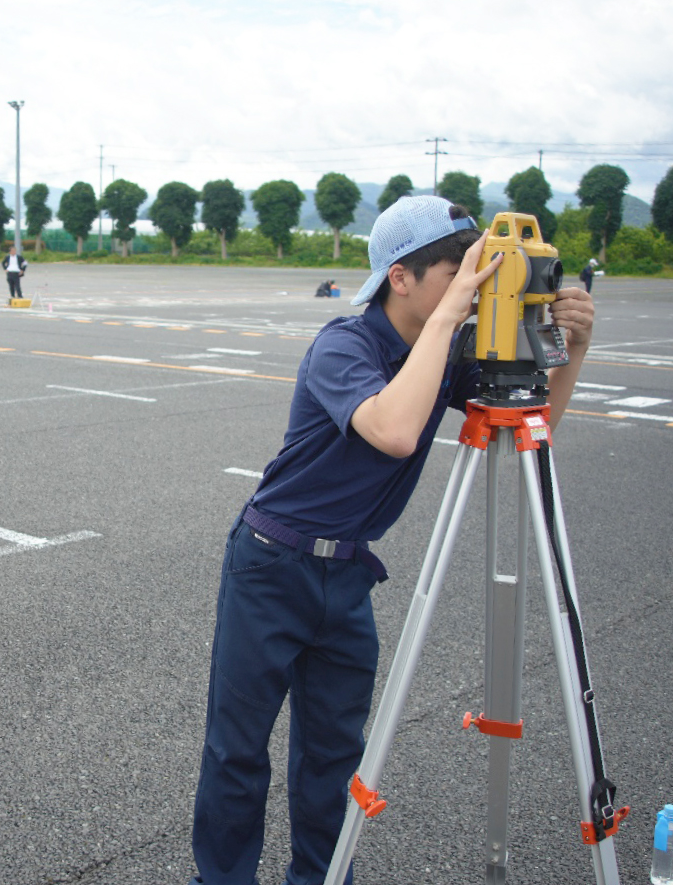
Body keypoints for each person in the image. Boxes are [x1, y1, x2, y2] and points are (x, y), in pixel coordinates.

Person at [188, 195, 594, 885]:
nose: (471, 285)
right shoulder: (344, 342)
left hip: (346, 578)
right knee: (237, 752)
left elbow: (533, 423)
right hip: (271, 563)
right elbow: (394, 429)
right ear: (399, 279)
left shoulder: (442, 342)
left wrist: (570, 347)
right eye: (457, 271)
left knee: (334, 757)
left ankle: (323, 878)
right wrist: (448, 318)